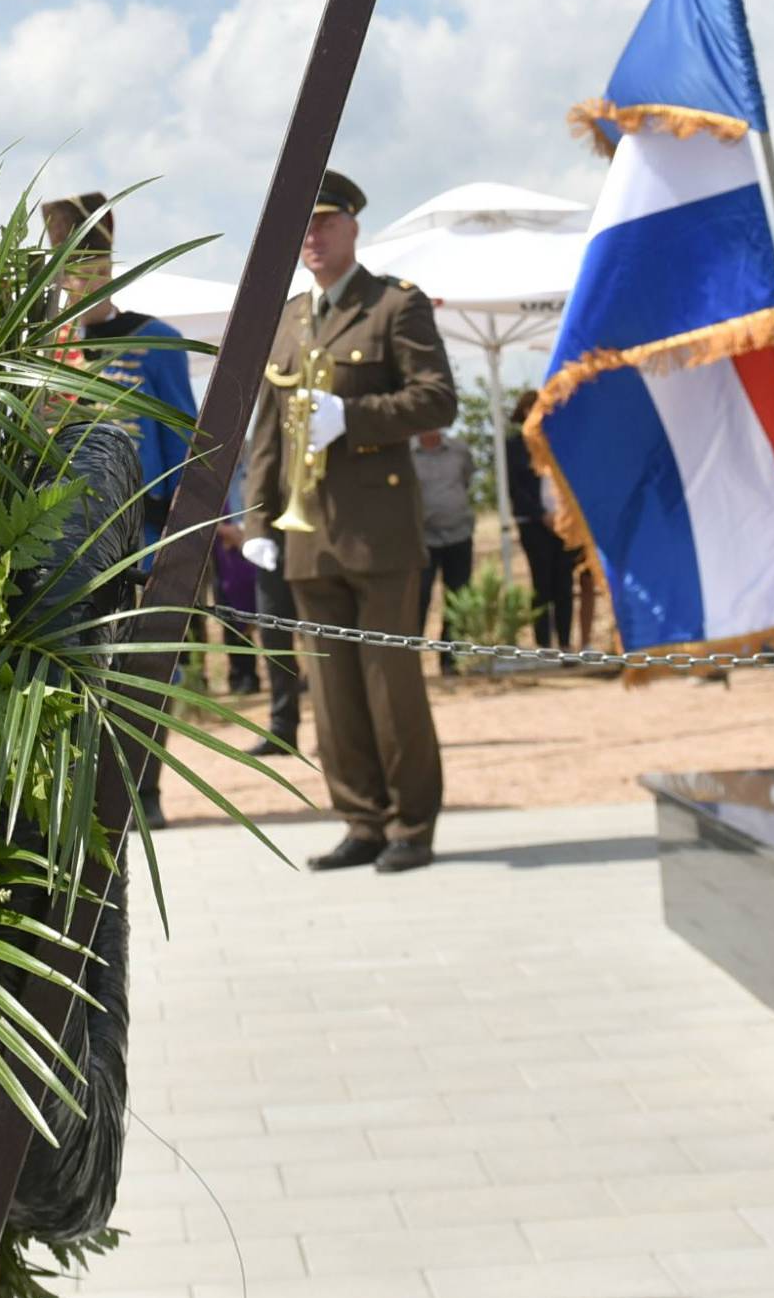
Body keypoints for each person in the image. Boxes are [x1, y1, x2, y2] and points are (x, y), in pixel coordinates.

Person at [244, 170, 457, 875]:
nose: (312, 237)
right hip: (307, 536)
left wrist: (355, 419)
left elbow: (436, 400)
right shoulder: (287, 320)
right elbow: (266, 432)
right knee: (331, 695)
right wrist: (256, 522)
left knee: (391, 688)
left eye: (325, 223)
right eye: (304, 226)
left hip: (379, 530)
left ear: (353, 227)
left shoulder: (394, 305)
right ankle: (360, 819)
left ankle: (410, 826)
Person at [41, 194, 198, 829]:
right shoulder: (45, 350)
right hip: (65, 535)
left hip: (145, 533)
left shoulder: (154, 340)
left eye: (92, 260)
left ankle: (146, 791)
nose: (81, 274)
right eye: (68, 262)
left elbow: (186, 434)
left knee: (144, 668)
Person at [507, 387, 574, 650]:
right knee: (542, 585)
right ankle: (544, 645)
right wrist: (541, 514)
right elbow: (516, 488)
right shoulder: (514, 446)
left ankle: (566, 644)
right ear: (526, 412)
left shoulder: (560, 441)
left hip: (563, 522)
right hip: (533, 524)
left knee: (564, 585)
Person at [411, 427, 476, 638]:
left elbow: (466, 481)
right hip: (423, 540)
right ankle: (411, 656)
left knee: (458, 597)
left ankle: (451, 657)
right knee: (419, 596)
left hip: (459, 534)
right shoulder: (406, 453)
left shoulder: (460, 450)